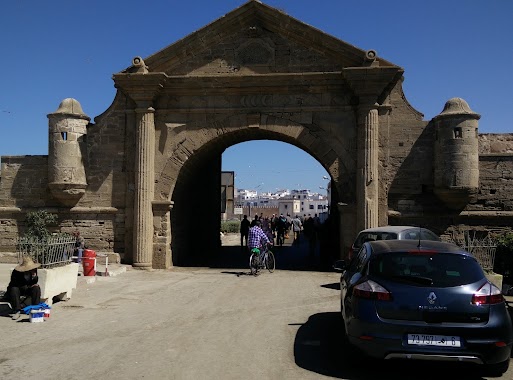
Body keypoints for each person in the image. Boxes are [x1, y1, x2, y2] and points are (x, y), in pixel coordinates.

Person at [6, 256, 41, 320]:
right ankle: (16, 310)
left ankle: (35, 309)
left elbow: (34, 282)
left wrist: (34, 277)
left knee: (36, 288)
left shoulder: (34, 270)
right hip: (18, 288)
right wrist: (25, 286)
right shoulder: (16, 272)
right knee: (14, 289)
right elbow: (14, 283)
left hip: (27, 288)